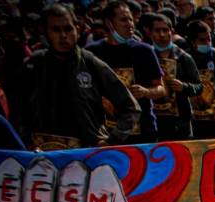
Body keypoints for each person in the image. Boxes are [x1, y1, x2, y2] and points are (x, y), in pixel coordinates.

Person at [18, 3, 140, 149]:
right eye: (56, 30)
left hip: (86, 152)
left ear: (77, 28)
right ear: (44, 31)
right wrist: (26, 141)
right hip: (44, 153)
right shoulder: (34, 65)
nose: (63, 36)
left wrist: (111, 140)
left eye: (68, 29)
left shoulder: (90, 63)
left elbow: (131, 107)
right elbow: (19, 111)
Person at [87, 0, 166, 144]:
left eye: (131, 19)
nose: (130, 24)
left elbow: (161, 89)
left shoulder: (144, 51)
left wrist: (146, 92)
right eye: (124, 20)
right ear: (109, 23)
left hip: (143, 133)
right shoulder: (92, 53)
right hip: (105, 134)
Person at [146, 12, 202, 141]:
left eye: (165, 30)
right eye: (157, 31)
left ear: (171, 32)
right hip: (154, 120)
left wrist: (184, 87)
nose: (162, 35)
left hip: (180, 121)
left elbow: (199, 87)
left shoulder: (183, 57)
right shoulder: (145, 56)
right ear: (150, 33)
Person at [185, 19, 215, 138]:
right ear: (193, 41)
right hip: (195, 119)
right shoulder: (186, 58)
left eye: (209, 39)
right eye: (202, 40)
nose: (207, 42)